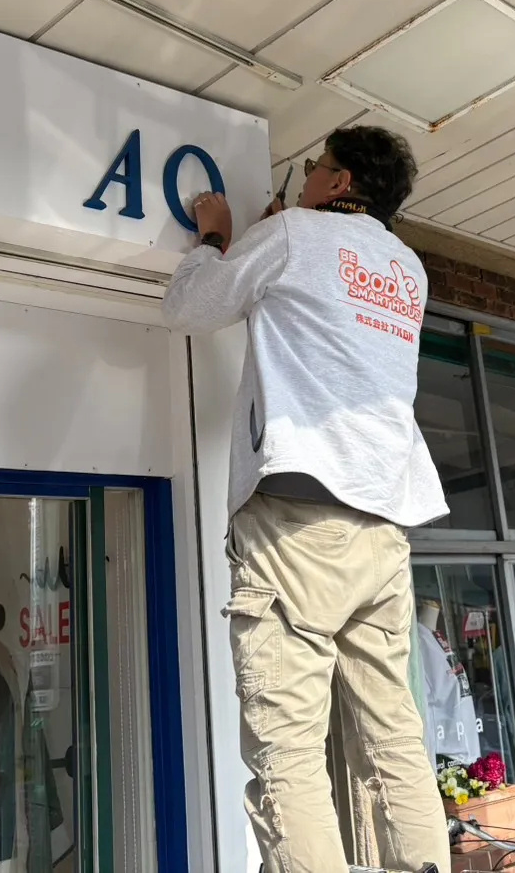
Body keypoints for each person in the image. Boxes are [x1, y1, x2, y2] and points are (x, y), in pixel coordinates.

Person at [161, 126, 452, 873]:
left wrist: (217, 237)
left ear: (338, 182)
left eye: (316, 168)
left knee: (287, 751)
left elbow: (190, 307)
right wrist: (278, 236)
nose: (306, 178)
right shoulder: (407, 268)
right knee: (393, 737)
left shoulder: (294, 233)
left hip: (297, 525)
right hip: (383, 528)